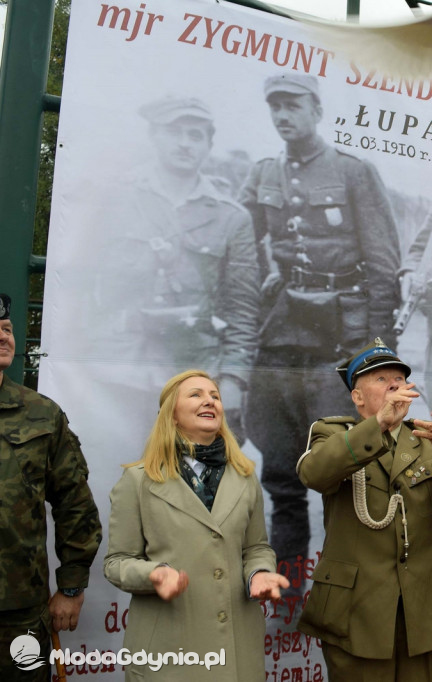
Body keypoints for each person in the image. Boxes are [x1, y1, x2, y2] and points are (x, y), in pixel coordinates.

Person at [239, 73, 401, 588]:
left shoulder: (353, 172)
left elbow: (383, 264)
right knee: (282, 480)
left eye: (293, 105)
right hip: (282, 336)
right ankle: (288, 599)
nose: (284, 115)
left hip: (342, 340)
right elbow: (241, 247)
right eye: (276, 107)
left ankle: (351, 595)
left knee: (347, 476)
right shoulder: (263, 174)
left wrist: (377, 361)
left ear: (316, 108)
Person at [75, 95, 260, 446]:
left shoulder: (231, 217)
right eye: (175, 132)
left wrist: (234, 380)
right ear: (154, 136)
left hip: (194, 373)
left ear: (208, 144)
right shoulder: (113, 199)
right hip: (117, 368)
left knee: (192, 489)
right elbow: (79, 283)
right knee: (114, 481)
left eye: (195, 135)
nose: (185, 143)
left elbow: (243, 309)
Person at [296, 338, 432, 681]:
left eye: (399, 377)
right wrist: (378, 425)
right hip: (356, 613)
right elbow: (314, 473)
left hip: (423, 610)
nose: (395, 384)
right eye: (381, 379)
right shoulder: (333, 433)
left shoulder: (426, 438)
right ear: (357, 397)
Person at [104, 369, 288, 680]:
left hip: (236, 651)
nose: (210, 401)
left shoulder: (245, 476)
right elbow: (116, 563)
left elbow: (256, 547)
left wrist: (259, 573)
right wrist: (154, 574)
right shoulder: (137, 480)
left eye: (215, 396)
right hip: (168, 651)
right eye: (196, 395)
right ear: (171, 415)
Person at [0, 294, 103, 682]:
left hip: (17, 614)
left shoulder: (42, 414)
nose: (5, 338)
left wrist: (72, 587)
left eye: (7, 330)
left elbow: (74, 503)